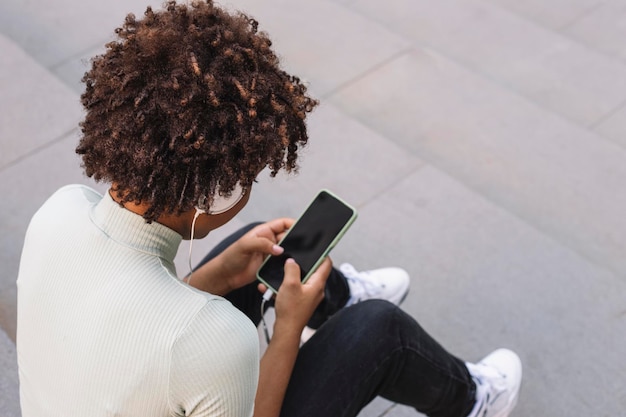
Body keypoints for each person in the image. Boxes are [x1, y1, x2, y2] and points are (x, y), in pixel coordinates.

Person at [15, 1, 522, 416]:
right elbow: (186, 347)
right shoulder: (216, 340)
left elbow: (133, 327)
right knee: (377, 331)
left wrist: (215, 274)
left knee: (254, 247)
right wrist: (285, 331)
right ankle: (473, 399)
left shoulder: (58, 211)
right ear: (214, 195)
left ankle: (331, 295)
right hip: (203, 364)